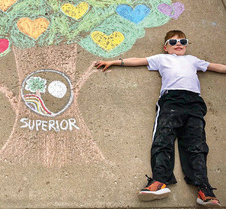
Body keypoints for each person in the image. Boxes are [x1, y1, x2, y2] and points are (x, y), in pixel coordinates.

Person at [95, 30, 226, 208]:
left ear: (186, 45)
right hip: (171, 101)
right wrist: (114, 62)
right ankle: (159, 181)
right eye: (173, 42)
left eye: (182, 41)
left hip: (195, 103)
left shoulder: (193, 60)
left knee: (197, 146)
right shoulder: (162, 59)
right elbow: (139, 61)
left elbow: (215, 66)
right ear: (166, 47)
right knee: (163, 140)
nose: (178, 44)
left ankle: (204, 189)